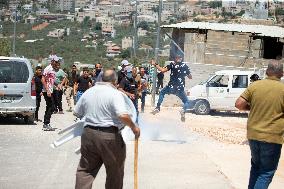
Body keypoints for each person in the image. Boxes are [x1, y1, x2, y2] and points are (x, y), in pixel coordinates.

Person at [74, 69, 140, 189]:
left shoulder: (89, 92)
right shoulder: (115, 94)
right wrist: (134, 127)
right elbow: (122, 115)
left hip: (88, 135)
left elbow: (77, 112)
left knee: (85, 171)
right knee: (115, 172)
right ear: (115, 80)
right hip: (109, 136)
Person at [235, 60, 284, 189]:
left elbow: (239, 104)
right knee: (266, 172)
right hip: (272, 137)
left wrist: (251, 107)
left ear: (267, 72)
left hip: (253, 135)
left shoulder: (255, 86)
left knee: (256, 168)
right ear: (282, 73)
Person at [150, 54, 192, 122]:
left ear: (175, 58)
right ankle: (183, 110)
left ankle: (158, 107)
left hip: (171, 87)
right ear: (181, 58)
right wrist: (185, 73)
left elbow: (162, 70)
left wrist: (155, 64)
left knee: (162, 92)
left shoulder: (172, 64)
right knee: (187, 102)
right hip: (180, 89)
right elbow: (190, 77)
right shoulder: (185, 66)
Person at [41, 55, 58, 131]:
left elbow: (51, 80)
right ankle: (46, 123)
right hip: (46, 91)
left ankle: (46, 123)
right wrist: (47, 90)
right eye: (56, 61)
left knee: (50, 107)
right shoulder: (48, 68)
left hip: (51, 90)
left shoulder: (53, 70)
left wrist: (57, 85)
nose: (57, 63)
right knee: (51, 107)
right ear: (52, 61)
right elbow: (43, 79)